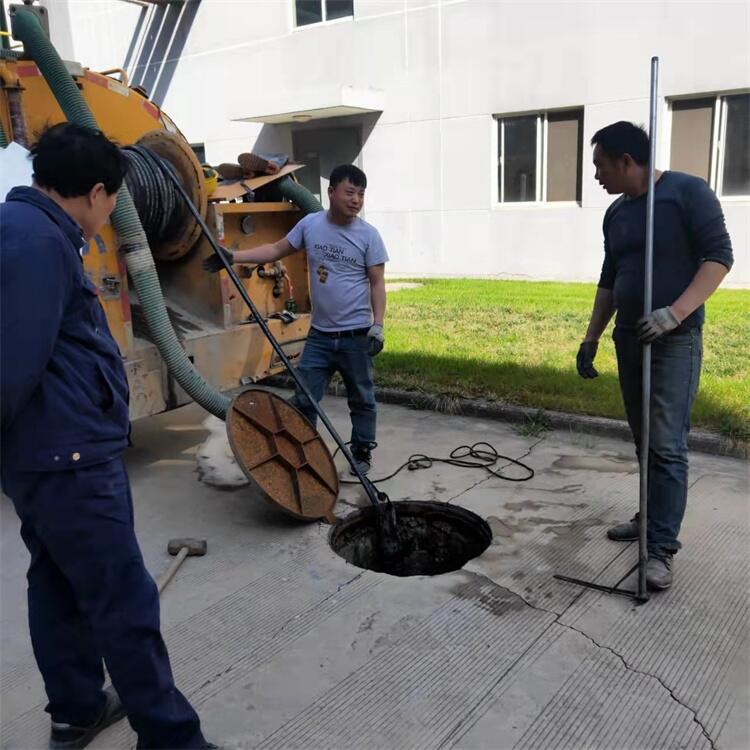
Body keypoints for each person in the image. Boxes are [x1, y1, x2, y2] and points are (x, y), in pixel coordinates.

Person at [0, 123, 215, 750]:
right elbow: (11, 365)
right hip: (66, 461)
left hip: (45, 456)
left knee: (60, 584)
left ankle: (75, 709)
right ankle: (172, 739)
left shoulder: (27, 230)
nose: (112, 212)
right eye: (113, 199)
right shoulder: (38, 243)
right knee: (123, 602)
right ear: (96, 192)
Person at [577, 121, 733, 590]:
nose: (597, 177)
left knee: (666, 444)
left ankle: (661, 548)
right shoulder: (616, 214)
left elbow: (719, 257)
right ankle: (650, 518)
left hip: (673, 341)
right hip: (629, 336)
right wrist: (591, 338)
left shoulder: (688, 193)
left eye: (601, 166)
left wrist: (677, 313)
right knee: (644, 438)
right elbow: (610, 279)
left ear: (627, 161)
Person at [204, 164, 388, 475]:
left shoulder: (369, 236)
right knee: (305, 397)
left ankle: (361, 452)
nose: (356, 200)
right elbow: (276, 249)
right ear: (331, 193)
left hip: (356, 335)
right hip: (320, 335)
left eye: (361, 194)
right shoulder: (310, 225)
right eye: (349, 192)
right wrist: (233, 257)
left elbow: (377, 282)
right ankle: (306, 450)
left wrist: (378, 325)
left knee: (362, 398)